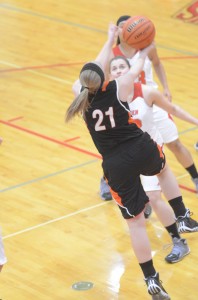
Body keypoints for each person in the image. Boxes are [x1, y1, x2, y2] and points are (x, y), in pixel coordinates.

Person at [66, 23, 173, 300]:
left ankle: (151, 279)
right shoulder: (117, 88)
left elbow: (91, 72)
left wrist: (110, 39)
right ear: (104, 77)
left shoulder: (80, 96)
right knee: (163, 170)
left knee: (135, 223)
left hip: (114, 165)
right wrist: (143, 47)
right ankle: (182, 216)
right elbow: (135, 66)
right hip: (139, 148)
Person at [100, 15, 198, 201]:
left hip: (150, 99)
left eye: (128, 26)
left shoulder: (145, 46)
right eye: (121, 26)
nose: (124, 29)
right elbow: (105, 77)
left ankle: (195, 176)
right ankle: (107, 180)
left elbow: (158, 64)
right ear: (119, 31)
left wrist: (166, 87)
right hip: (126, 105)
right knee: (120, 148)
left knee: (174, 143)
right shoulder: (113, 54)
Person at [108, 56, 198, 236]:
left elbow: (173, 109)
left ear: (131, 71)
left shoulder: (145, 92)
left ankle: (179, 234)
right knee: (143, 202)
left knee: (154, 196)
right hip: (129, 157)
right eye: (114, 68)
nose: (118, 70)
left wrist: (196, 121)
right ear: (110, 75)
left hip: (151, 152)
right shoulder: (110, 99)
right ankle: (177, 216)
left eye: (122, 67)